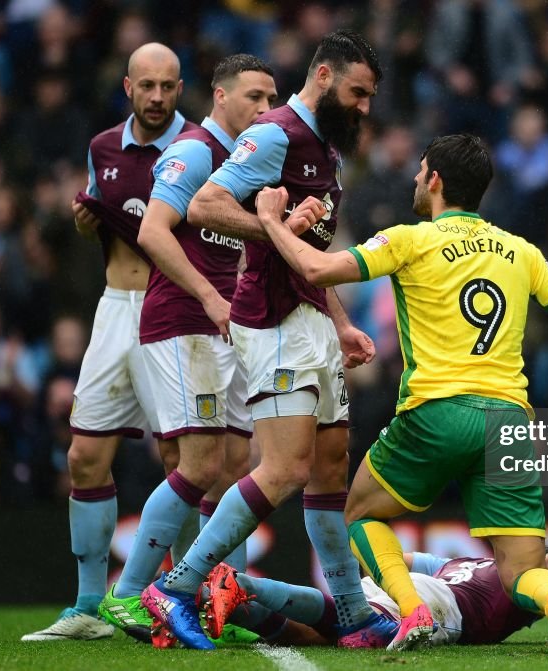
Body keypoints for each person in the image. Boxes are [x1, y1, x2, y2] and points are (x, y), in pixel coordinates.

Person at [253, 133, 548, 653]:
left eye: (420, 172)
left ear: (434, 180)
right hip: (508, 419)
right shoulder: (520, 251)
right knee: (521, 571)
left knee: (358, 515)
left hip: (436, 411)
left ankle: (411, 610)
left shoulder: (408, 240)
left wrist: (269, 223)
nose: (416, 179)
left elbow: (316, 269)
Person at [139, 30, 391, 651]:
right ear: (326, 77)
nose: (365, 107)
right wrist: (271, 224)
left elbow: (309, 252)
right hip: (271, 320)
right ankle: (177, 587)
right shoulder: (275, 133)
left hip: (308, 318)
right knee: (285, 467)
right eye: (358, 92)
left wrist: (339, 322)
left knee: (331, 465)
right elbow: (204, 205)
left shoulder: (326, 148)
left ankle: (354, 614)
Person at [96, 54, 278, 646]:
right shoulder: (196, 151)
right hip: (183, 324)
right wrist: (209, 296)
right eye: (254, 97)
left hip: (225, 327)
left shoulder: (245, 165)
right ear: (220, 98)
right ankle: (127, 593)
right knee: (198, 465)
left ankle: (224, 595)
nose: (267, 109)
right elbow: (152, 231)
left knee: (233, 470)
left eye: (272, 98)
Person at [21, 42, 197, 642]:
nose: (155, 97)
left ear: (180, 88)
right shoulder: (101, 146)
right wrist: (83, 222)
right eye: (145, 85)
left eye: (167, 86)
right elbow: (96, 214)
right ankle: (89, 607)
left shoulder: (200, 148)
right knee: (83, 457)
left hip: (173, 311)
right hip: (113, 311)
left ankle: (179, 598)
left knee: (181, 462)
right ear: (127, 86)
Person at [204, 548, 548, 647]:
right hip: (434, 607)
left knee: (313, 636)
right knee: (366, 632)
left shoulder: (461, 562)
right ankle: (243, 585)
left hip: (404, 586)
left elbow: (395, 559)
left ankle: (206, 598)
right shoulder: (528, 578)